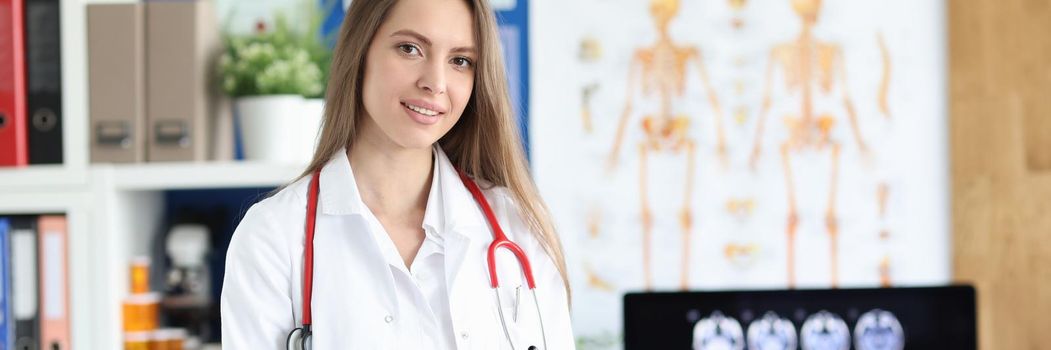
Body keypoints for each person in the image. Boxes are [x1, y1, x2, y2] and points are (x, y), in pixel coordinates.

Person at [219, 0, 575, 348]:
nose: (436, 83)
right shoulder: (272, 236)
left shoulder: (519, 226)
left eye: (460, 61)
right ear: (360, 52)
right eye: (410, 48)